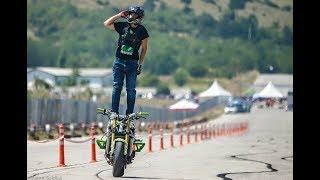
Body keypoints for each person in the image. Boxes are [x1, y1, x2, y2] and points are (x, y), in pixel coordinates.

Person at [103, 5, 149, 162]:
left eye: (133, 14)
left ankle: (129, 113)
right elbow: (106, 24)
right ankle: (114, 111)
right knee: (117, 86)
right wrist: (118, 15)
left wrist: (140, 64)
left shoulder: (143, 31)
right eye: (129, 13)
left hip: (132, 63)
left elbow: (144, 49)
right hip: (119, 62)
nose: (130, 16)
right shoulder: (122, 25)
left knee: (131, 89)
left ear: (139, 17)